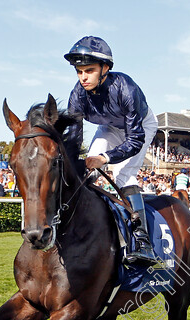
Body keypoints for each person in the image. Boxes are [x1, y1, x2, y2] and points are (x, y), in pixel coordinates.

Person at [65, 35, 161, 267]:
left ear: (105, 68)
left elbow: (135, 139)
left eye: (89, 70)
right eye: (79, 71)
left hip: (140, 127)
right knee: (88, 169)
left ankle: (142, 241)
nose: (83, 77)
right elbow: (74, 140)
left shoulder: (126, 88)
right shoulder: (78, 95)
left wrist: (105, 158)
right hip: (109, 127)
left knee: (123, 175)